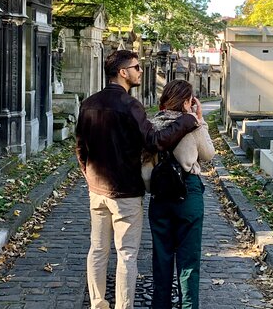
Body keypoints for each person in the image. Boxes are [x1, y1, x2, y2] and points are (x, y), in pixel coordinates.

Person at [75, 50, 200, 309]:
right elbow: (155, 142)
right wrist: (188, 121)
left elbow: (80, 148)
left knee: (98, 250)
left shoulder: (89, 103)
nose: (140, 71)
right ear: (123, 72)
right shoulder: (130, 105)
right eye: (136, 67)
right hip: (125, 193)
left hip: (96, 190)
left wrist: (89, 178)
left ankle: (98, 303)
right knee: (126, 254)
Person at [147, 80, 215, 309]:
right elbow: (208, 154)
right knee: (188, 262)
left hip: (160, 195)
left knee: (161, 259)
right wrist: (200, 119)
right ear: (187, 102)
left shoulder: (152, 125)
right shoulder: (192, 125)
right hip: (189, 192)